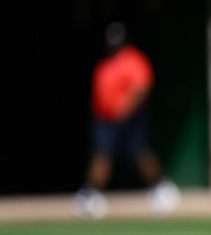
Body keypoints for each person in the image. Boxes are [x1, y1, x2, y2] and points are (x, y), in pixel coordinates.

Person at [73, 21, 180, 219]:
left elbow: (142, 87)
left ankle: (160, 187)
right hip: (105, 118)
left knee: (140, 154)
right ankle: (90, 194)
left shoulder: (133, 59)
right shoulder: (104, 64)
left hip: (131, 118)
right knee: (101, 155)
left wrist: (127, 108)